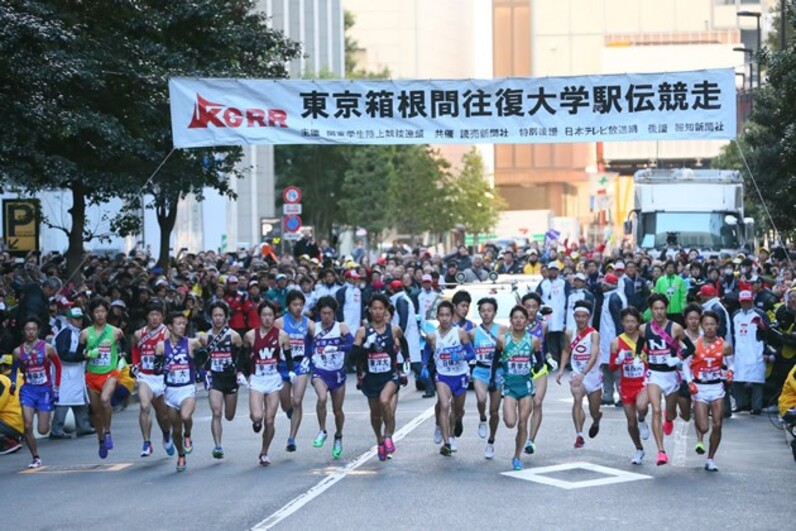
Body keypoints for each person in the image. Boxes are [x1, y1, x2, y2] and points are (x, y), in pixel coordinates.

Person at [640, 293, 695, 466]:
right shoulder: (644, 328)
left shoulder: (676, 328)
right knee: (655, 409)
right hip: (654, 375)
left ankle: (669, 418)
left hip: (671, 376)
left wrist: (678, 358)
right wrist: (637, 357)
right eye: (655, 309)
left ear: (666, 309)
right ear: (651, 310)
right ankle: (661, 452)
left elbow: (691, 347)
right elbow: (639, 345)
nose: (659, 312)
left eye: (662, 308)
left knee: (669, 413)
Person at [352, 294, 404, 461]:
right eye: (375, 308)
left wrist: (407, 361)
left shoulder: (394, 329)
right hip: (371, 378)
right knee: (376, 415)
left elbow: (404, 343)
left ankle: (388, 436)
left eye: (381, 308)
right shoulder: (362, 331)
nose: (378, 312)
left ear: (386, 310)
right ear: (370, 310)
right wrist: (365, 346)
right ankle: (379, 439)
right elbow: (352, 357)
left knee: (385, 401)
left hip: (390, 376)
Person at [243, 300, 294, 467]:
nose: (267, 318)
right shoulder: (250, 335)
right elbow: (243, 357)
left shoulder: (282, 336)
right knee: (258, 416)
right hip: (257, 379)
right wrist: (241, 373)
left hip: (273, 379)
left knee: (270, 420)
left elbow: (289, 356)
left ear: (274, 317)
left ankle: (264, 452)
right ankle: (256, 422)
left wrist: (292, 371)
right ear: (259, 317)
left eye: (270, 315)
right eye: (264, 315)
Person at [682, 311, 734, 471]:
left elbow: (731, 362)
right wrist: (689, 381)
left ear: (717, 325)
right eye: (706, 324)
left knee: (718, 424)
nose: (710, 328)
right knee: (704, 427)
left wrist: (731, 371)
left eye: (712, 324)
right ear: (701, 326)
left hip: (717, 387)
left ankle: (711, 458)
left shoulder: (725, 345)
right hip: (700, 388)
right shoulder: (694, 345)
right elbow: (685, 364)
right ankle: (699, 427)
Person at [423, 301, 475, 456]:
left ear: (452, 316)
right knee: (444, 405)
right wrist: (425, 366)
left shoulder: (460, 333)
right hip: (443, 375)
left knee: (457, 410)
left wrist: (460, 355)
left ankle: (452, 433)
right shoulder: (432, 336)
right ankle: (446, 442)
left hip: (460, 376)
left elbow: (472, 354)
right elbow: (426, 351)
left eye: (447, 315)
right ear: (437, 317)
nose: (445, 318)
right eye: (442, 315)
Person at [156, 312, 205, 472]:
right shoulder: (161, 346)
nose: (182, 327)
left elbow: (204, 356)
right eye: (178, 323)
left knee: (185, 416)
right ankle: (181, 455)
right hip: (170, 391)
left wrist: (200, 368)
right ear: (169, 326)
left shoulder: (192, 343)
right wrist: (163, 367)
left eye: (184, 324)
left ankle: (188, 434)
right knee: (175, 429)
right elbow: (156, 369)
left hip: (187, 388)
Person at [10, 317, 61, 468]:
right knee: (27, 425)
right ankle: (35, 457)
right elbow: (14, 371)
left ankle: (47, 416)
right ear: (23, 332)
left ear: (38, 331)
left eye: (33, 329)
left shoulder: (47, 348)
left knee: (43, 430)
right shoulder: (17, 352)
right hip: (28, 390)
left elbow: (58, 366)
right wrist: (13, 382)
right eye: (27, 329)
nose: (30, 332)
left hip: (44, 389)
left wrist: (56, 387)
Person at [491, 305, 536, 470]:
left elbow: (539, 361)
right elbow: (495, 361)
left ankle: (517, 457)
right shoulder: (503, 340)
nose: (518, 320)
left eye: (521, 317)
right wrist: (491, 380)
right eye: (515, 317)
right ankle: (517, 451)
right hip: (509, 386)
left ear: (527, 320)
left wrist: (541, 366)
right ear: (511, 320)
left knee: (523, 422)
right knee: (510, 422)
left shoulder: (533, 340)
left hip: (526, 386)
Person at [80, 298, 125, 459]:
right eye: (96, 312)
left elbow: (124, 346)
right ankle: (100, 439)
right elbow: (80, 353)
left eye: (103, 311)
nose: (100, 315)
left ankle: (107, 432)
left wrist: (122, 356)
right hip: (92, 375)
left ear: (107, 313)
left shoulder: (115, 332)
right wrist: (87, 354)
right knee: (96, 413)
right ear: (92, 314)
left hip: (109, 373)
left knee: (106, 400)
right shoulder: (85, 334)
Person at [309, 296, 352, 459]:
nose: (326, 316)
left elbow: (352, 345)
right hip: (320, 371)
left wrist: (337, 347)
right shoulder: (313, 328)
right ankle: (322, 430)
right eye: (323, 313)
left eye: (329, 313)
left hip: (337, 372)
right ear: (319, 313)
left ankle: (338, 435)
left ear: (334, 313)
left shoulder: (341, 327)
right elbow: (307, 345)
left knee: (337, 410)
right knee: (321, 398)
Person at [556, 301, 602, 448]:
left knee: (594, 411)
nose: (580, 319)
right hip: (577, 374)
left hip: (592, 376)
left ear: (588, 317)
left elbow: (593, 355)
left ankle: (596, 420)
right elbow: (566, 350)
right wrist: (561, 369)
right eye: (578, 316)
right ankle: (579, 435)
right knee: (577, 399)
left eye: (584, 316)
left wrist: (584, 373)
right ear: (574, 316)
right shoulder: (569, 333)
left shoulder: (594, 334)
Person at [130, 300, 173, 458]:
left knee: (163, 415)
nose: (155, 318)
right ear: (147, 316)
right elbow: (134, 349)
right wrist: (135, 364)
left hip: (161, 378)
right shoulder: (138, 333)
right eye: (152, 315)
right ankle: (146, 442)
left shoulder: (166, 333)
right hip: (145, 377)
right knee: (144, 406)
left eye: (158, 315)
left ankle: (167, 434)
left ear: (162, 317)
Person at [274, 290, 315, 452]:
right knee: (285, 404)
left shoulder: (308, 323)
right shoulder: (280, 323)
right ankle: (289, 410)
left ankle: (292, 438)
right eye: (294, 305)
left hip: (301, 365)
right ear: (288, 306)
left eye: (300, 305)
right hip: (283, 365)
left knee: (297, 401)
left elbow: (318, 338)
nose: (298, 308)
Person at [609, 307, 650, 465]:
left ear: (638, 323)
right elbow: (612, 367)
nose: (630, 325)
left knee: (641, 406)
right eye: (627, 321)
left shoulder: (644, 339)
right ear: (622, 323)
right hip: (626, 385)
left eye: (633, 321)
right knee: (630, 422)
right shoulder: (616, 342)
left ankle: (642, 418)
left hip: (643, 383)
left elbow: (654, 359)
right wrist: (618, 360)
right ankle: (639, 448)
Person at [204, 301, 244, 459]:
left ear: (226, 317)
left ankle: (219, 442)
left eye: (221, 315)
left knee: (229, 415)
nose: (218, 319)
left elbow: (241, 356)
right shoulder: (205, 337)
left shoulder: (234, 336)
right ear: (210, 317)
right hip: (215, 377)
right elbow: (202, 358)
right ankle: (218, 446)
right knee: (216, 412)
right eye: (215, 315)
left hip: (230, 378)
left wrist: (238, 370)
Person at [469, 297, 507, 459]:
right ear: (479, 313)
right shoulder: (473, 332)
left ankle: (491, 440)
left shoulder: (503, 329)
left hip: (497, 372)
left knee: (495, 411)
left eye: (489, 310)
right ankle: (482, 418)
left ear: (495, 312)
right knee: (481, 399)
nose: (486, 313)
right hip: (480, 370)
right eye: (483, 311)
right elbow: (467, 349)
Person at [50, 307, 94, 439]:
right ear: (69, 319)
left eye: (80, 318)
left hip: (75, 373)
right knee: (63, 402)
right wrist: (82, 357)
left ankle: (83, 426)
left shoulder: (76, 333)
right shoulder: (65, 333)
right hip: (65, 374)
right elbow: (62, 354)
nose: (79, 321)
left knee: (79, 401)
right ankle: (56, 430)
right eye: (76, 319)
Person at [731, 290, 769, 415]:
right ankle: (740, 404)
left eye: (747, 301)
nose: (745, 304)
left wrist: (766, 351)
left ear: (752, 301)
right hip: (740, 352)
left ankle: (756, 406)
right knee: (737, 379)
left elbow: (768, 334)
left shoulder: (760, 314)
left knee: (757, 380)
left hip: (756, 350)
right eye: (743, 302)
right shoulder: (736, 315)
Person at [522, 292, 551, 455]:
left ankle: (531, 440)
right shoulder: (516, 325)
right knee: (525, 407)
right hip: (522, 369)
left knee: (538, 402)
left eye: (534, 307)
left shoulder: (543, 325)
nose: (531, 310)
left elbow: (544, 346)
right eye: (528, 307)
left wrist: (548, 357)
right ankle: (523, 434)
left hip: (539, 368)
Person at [599, 273, 627, 406]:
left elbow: (618, 322)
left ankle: (622, 396)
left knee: (616, 369)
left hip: (612, 339)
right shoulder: (611, 296)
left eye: (604, 283)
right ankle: (607, 395)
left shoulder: (614, 298)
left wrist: (619, 341)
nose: (602, 285)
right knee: (606, 368)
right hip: (607, 339)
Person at [682, 304, 706, 453]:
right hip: (682, 378)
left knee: (699, 411)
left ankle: (699, 441)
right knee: (685, 415)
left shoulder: (706, 336)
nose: (694, 322)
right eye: (691, 318)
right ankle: (683, 413)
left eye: (696, 318)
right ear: (686, 320)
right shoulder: (680, 335)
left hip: (699, 378)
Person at [535, 262, 569, 364]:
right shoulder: (543, 283)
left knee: (563, 340)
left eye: (555, 270)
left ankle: (565, 361)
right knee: (550, 340)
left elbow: (568, 297)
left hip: (560, 315)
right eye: (551, 270)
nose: (553, 272)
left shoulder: (563, 283)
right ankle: (554, 361)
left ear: (558, 271)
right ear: (548, 271)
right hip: (548, 316)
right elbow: (537, 296)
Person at [0, 356, 25, 458]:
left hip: (10, 422)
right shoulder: (23, 378)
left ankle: (6, 442)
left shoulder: (2, 380)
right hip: (22, 423)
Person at [654, 260, 687, 325]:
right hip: (663, 311)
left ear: (675, 269)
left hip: (677, 310)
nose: (670, 269)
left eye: (672, 267)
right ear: (665, 268)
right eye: (668, 267)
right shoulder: (660, 280)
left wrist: (682, 307)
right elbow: (656, 295)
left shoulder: (680, 280)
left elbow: (683, 294)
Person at [565, 272, 595, 337]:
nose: (577, 283)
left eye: (579, 281)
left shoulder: (588, 295)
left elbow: (590, 312)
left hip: (583, 325)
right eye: (576, 281)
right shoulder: (570, 294)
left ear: (584, 282)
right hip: (570, 324)